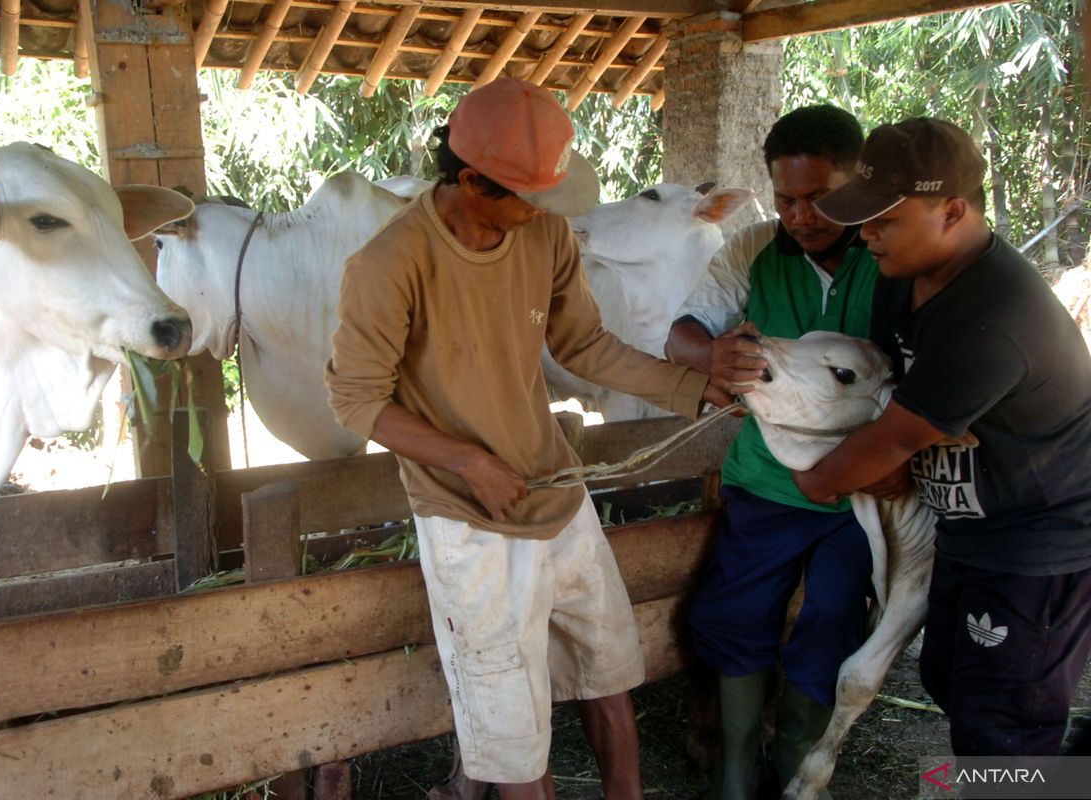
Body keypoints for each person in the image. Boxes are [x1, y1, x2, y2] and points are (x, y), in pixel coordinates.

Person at [324, 77, 724, 800]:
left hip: (556, 494)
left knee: (609, 671)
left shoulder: (542, 237)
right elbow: (356, 400)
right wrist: (470, 463)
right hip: (470, 522)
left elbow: (586, 344)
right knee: (513, 724)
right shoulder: (388, 264)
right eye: (525, 196)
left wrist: (692, 389)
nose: (542, 212)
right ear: (471, 179)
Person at [794, 117, 1091, 757]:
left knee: (999, 732)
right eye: (863, 216)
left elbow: (890, 440)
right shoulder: (903, 274)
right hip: (969, 530)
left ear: (953, 211)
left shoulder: (992, 315)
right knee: (950, 682)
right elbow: (889, 393)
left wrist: (815, 478)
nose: (865, 233)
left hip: (1038, 548)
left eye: (886, 220)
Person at [664, 105, 896, 800]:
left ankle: (799, 757)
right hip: (766, 479)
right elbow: (682, 334)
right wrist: (712, 355)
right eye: (788, 199)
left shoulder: (891, 255)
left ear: (860, 185)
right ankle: (738, 766)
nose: (801, 216)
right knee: (734, 614)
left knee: (832, 618)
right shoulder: (752, 251)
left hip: (862, 488)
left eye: (820, 198)